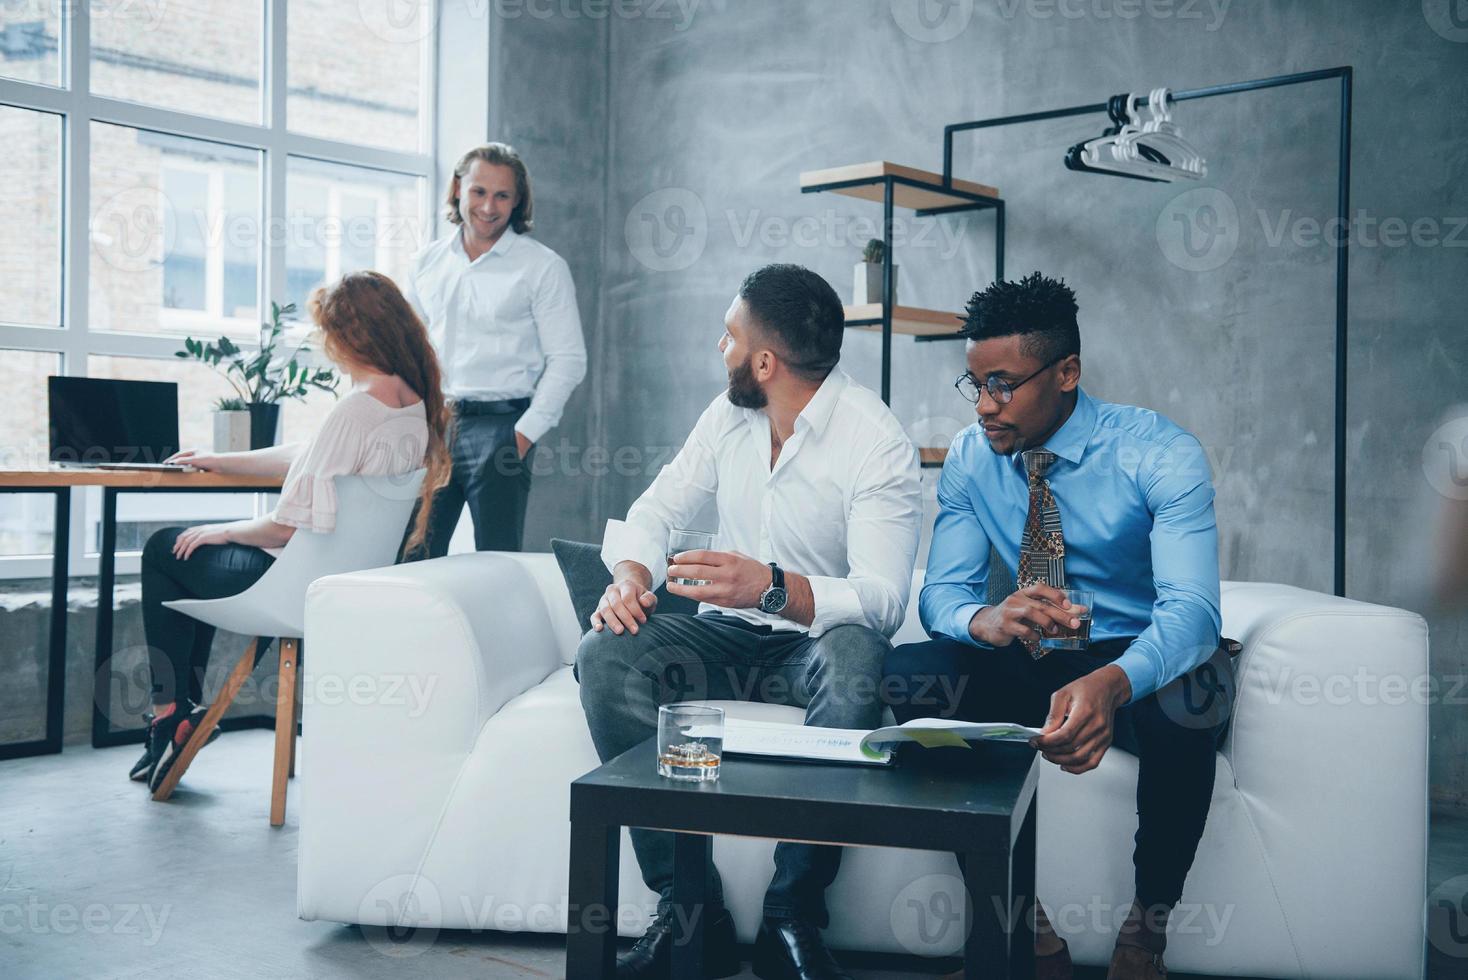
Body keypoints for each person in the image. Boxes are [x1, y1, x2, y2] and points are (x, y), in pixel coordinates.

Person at [575, 264, 922, 980]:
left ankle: (792, 916)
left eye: (729, 336)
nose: (719, 346)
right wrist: (630, 578)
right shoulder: (727, 415)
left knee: (858, 658)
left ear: (765, 362)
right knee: (605, 653)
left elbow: (884, 598)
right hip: (722, 637)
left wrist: (773, 589)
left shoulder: (875, 439)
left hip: (816, 646)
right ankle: (687, 908)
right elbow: (656, 511)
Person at [885, 272, 1231, 980]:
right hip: (1031, 652)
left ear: (1067, 371)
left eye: (1004, 384)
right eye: (975, 384)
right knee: (911, 677)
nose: (985, 406)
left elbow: (1193, 612)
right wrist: (985, 618)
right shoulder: (971, 457)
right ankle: (1026, 926)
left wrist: (1115, 681)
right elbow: (941, 595)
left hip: (1137, 659)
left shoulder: (1159, 453)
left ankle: (1147, 932)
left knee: (1192, 701)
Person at [130, 271, 450, 794]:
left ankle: (168, 711)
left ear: (350, 336)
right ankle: (178, 716)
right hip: (342, 584)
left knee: (167, 549)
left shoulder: (357, 408)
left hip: (293, 586)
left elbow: (284, 526)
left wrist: (224, 530)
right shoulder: (411, 406)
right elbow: (309, 453)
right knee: (190, 551)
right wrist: (219, 459)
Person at [405, 141, 587, 557]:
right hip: (434, 426)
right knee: (413, 556)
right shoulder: (426, 263)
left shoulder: (542, 267)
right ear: (457, 188)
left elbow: (569, 360)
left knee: (497, 559)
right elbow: (408, 352)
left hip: (502, 427)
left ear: (517, 200)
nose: (489, 206)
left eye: (502, 195)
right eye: (479, 192)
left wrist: (522, 435)